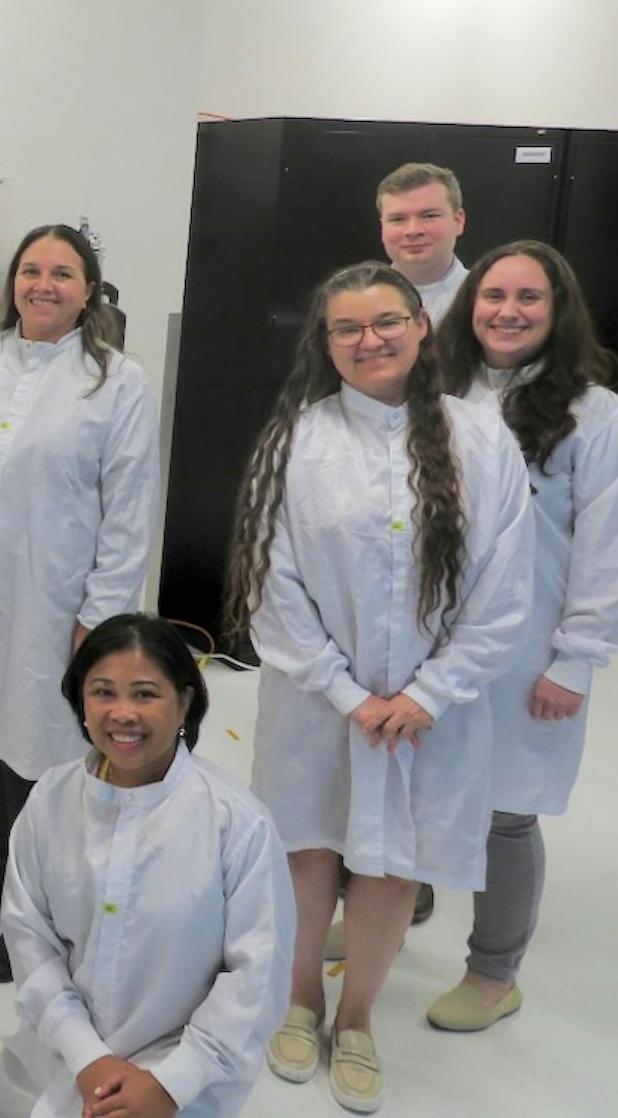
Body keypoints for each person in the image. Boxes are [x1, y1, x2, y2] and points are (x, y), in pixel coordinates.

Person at [226, 261, 532, 1114]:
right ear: (327, 344)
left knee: (395, 861)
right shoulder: (297, 438)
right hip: (319, 700)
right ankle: (301, 999)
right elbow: (269, 583)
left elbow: (507, 583)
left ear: (421, 326)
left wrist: (430, 693)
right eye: (348, 329)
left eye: (386, 323)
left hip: (430, 714)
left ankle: (356, 1017)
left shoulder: (482, 440)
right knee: (308, 847)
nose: (370, 341)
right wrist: (344, 690)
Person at [0, 223, 160, 985]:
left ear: (89, 291)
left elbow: (129, 508)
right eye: (30, 271)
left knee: (46, 752)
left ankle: (37, 906)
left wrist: (104, 614)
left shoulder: (117, 381)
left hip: (56, 600)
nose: (42, 285)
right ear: (12, 281)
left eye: (61, 273)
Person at [0, 614, 295, 1118]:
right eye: (103, 692)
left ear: (185, 701)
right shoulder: (51, 801)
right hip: (58, 1051)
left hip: (181, 1071)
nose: (122, 713)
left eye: (146, 694)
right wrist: (86, 1057)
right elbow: (28, 938)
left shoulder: (237, 825)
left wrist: (170, 1083)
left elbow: (256, 980)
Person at [424, 242, 618, 1032]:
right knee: (413, 789)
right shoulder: (436, 391)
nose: (507, 310)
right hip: (430, 642)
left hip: (525, 652)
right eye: (493, 294)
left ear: (558, 310)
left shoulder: (593, 413)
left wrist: (575, 660)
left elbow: (606, 545)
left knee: (504, 811)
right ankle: (395, 910)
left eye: (528, 298)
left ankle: (494, 973)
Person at [375, 162, 466, 324]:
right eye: (397, 219)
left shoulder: (487, 299)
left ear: (458, 221)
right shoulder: (354, 303)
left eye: (429, 216)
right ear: (382, 227)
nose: (413, 230)